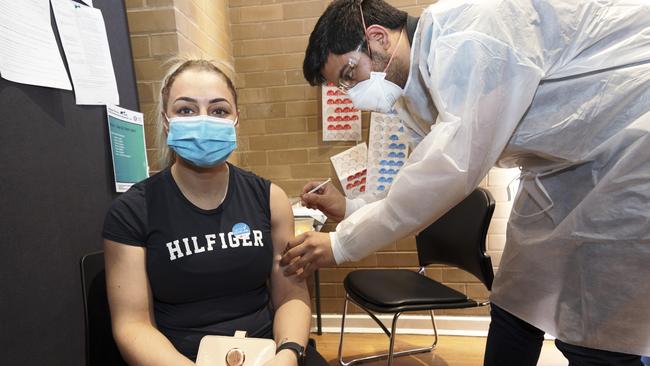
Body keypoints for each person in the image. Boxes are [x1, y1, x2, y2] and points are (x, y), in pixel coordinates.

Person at [282, 0, 650, 365]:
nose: (352, 92)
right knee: (516, 299)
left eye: (349, 74)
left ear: (377, 38)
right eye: (342, 86)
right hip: (559, 165)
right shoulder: (415, 91)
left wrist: (341, 244)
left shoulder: (467, 36)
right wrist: (349, 208)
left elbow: (449, 167)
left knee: (593, 329)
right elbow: (413, 179)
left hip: (629, 141)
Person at [102, 59, 326, 366]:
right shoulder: (132, 211)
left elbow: (291, 297)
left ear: (235, 119)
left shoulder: (269, 199)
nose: (203, 120)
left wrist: (287, 353)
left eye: (219, 110)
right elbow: (132, 325)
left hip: (268, 352)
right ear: (167, 121)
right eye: (186, 110)